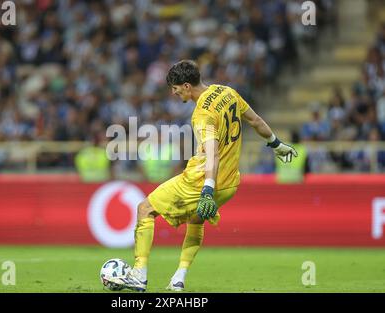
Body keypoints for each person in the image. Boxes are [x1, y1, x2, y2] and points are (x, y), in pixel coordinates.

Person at [108, 60, 297, 292]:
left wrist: (206, 188)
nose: (174, 93)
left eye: (176, 88)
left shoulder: (202, 114)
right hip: (229, 185)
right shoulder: (227, 92)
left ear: (187, 86)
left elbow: (213, 154)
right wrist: (277, 145)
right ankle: (179, 277)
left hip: (200, 180)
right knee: (196, 220)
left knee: (145, 209)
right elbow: (256, 121)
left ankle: (139, 274)